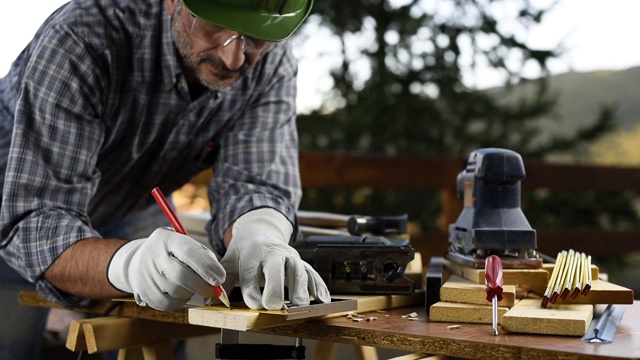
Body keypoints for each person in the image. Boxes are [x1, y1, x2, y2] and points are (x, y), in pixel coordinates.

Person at [0, 0, 330, 359]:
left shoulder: (272, 61)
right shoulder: (84, 36)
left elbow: (255, 181)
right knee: (10, 343)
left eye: (255, 38)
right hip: (17, 205)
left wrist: (260, 233)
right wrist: (127, 264)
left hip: (130, 200)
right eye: (215, 26)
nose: (235, 58)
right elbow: (33, 220)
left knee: (163, 326)